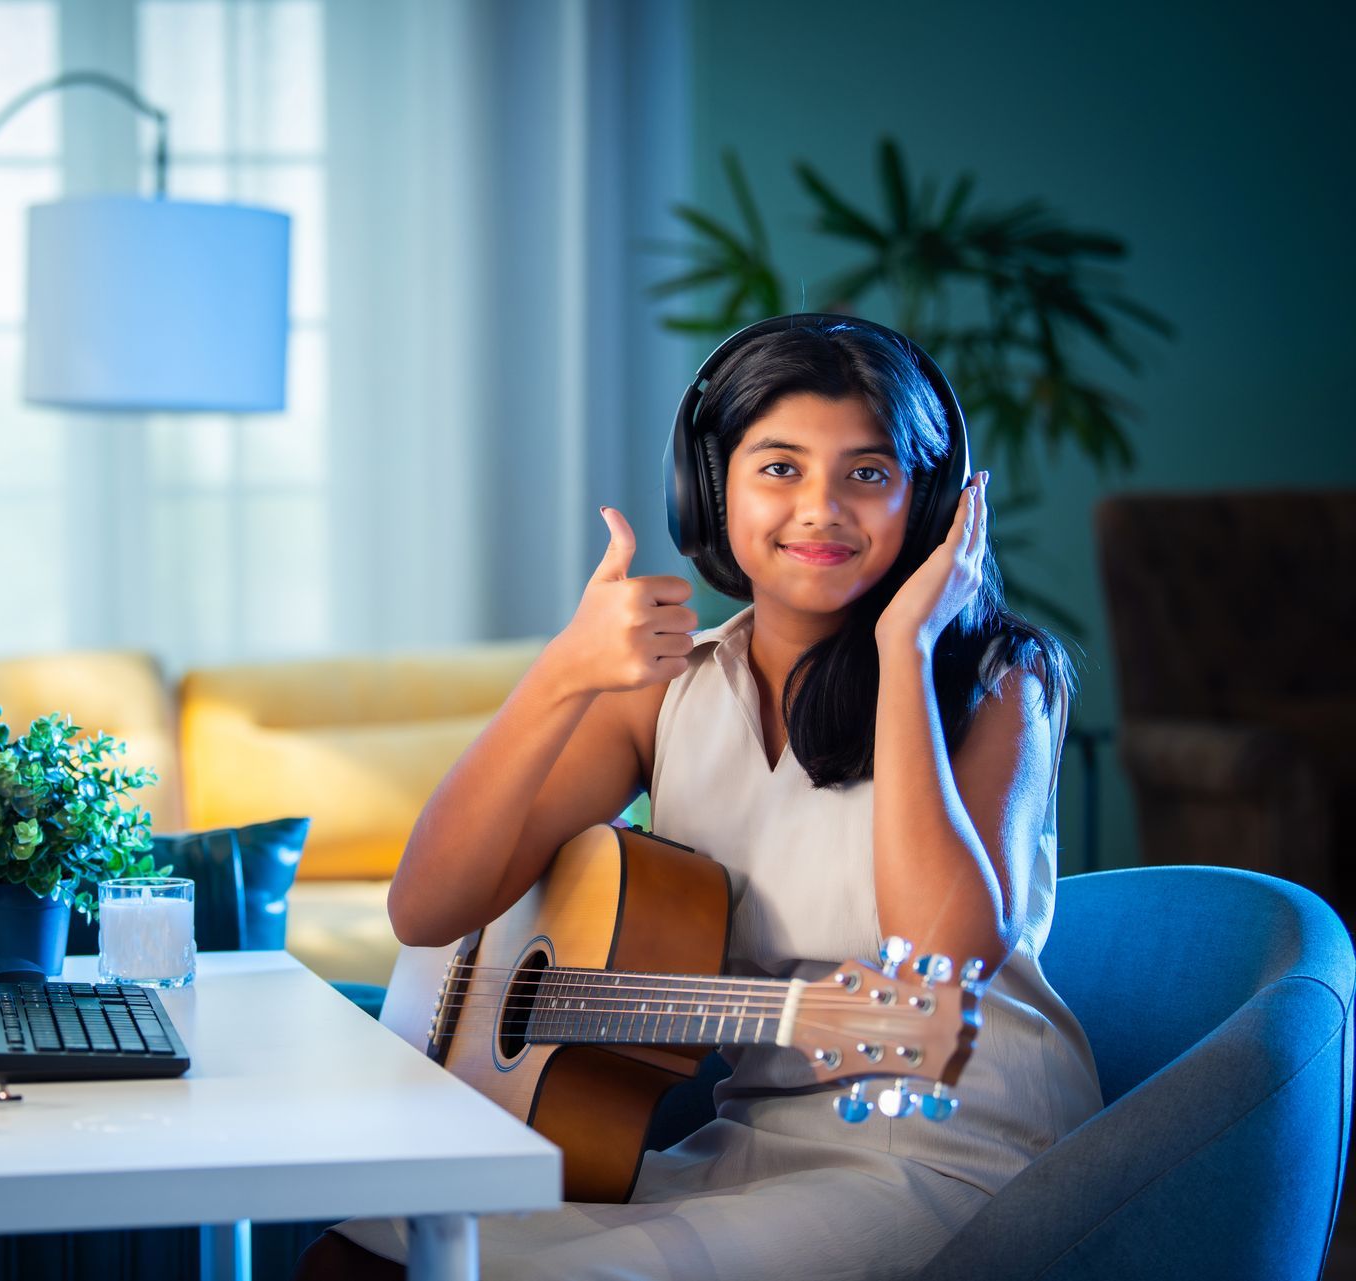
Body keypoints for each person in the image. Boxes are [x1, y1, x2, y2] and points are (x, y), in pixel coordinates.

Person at [294, 319, 1103, 1280]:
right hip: (749, 1143)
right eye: (779, 468)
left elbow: (937, 957)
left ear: (929, 502)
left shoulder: (999, 678)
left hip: (947, 1150)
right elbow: (427, 908)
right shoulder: (675, 687)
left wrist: (905, 651)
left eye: (869, 475)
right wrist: (562, 673)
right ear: (709, 488)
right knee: (358, 1255)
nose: (822, 510)